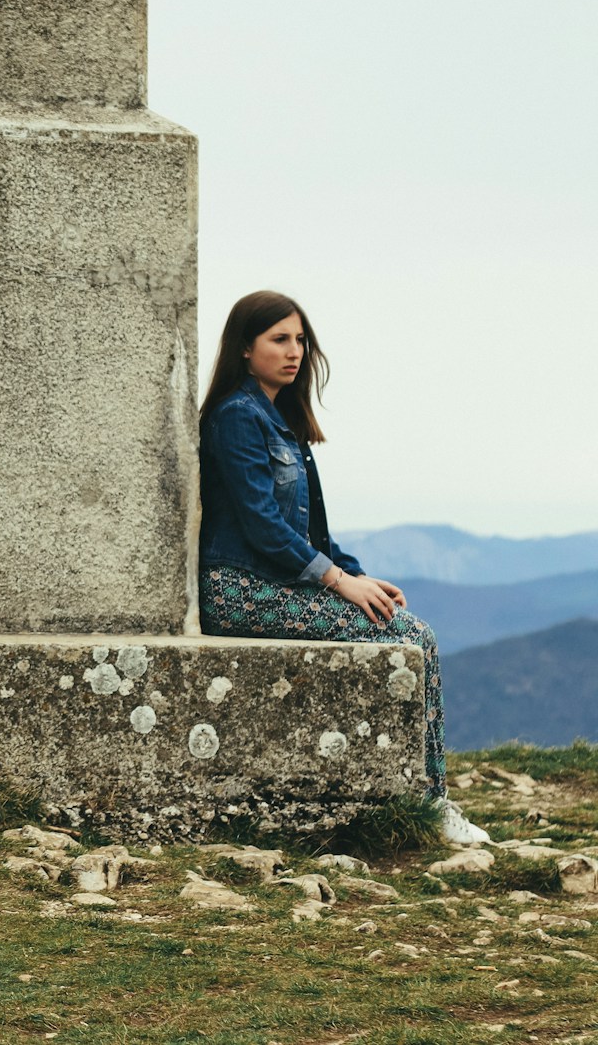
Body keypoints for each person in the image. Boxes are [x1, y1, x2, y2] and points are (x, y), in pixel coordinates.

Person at [196, 289, 488, 844]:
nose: (295, 352)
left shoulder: (280, 417)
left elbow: (313, 533)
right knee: (409, 635)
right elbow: (261, 524)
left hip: (275, 581)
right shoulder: (237, 417)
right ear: (243, 348)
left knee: (416, 633)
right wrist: (338, 582)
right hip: (238, 588)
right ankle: (431, 803)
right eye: (279, 339)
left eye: (300, 340)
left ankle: (432, 798)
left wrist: (357, 573)